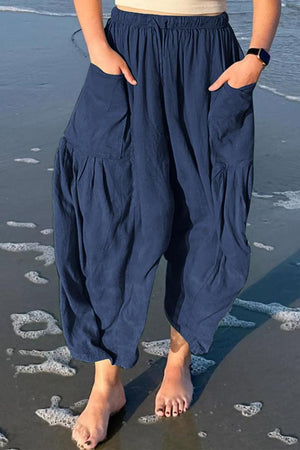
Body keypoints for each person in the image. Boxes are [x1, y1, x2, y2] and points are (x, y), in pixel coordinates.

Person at [52, 0, 280, 448]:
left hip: (209, 56)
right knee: (108, 217)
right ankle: (106, 382)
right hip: (128, 51)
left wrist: (257, 57)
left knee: (205, 216)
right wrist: (97, 44)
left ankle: (178, 362)